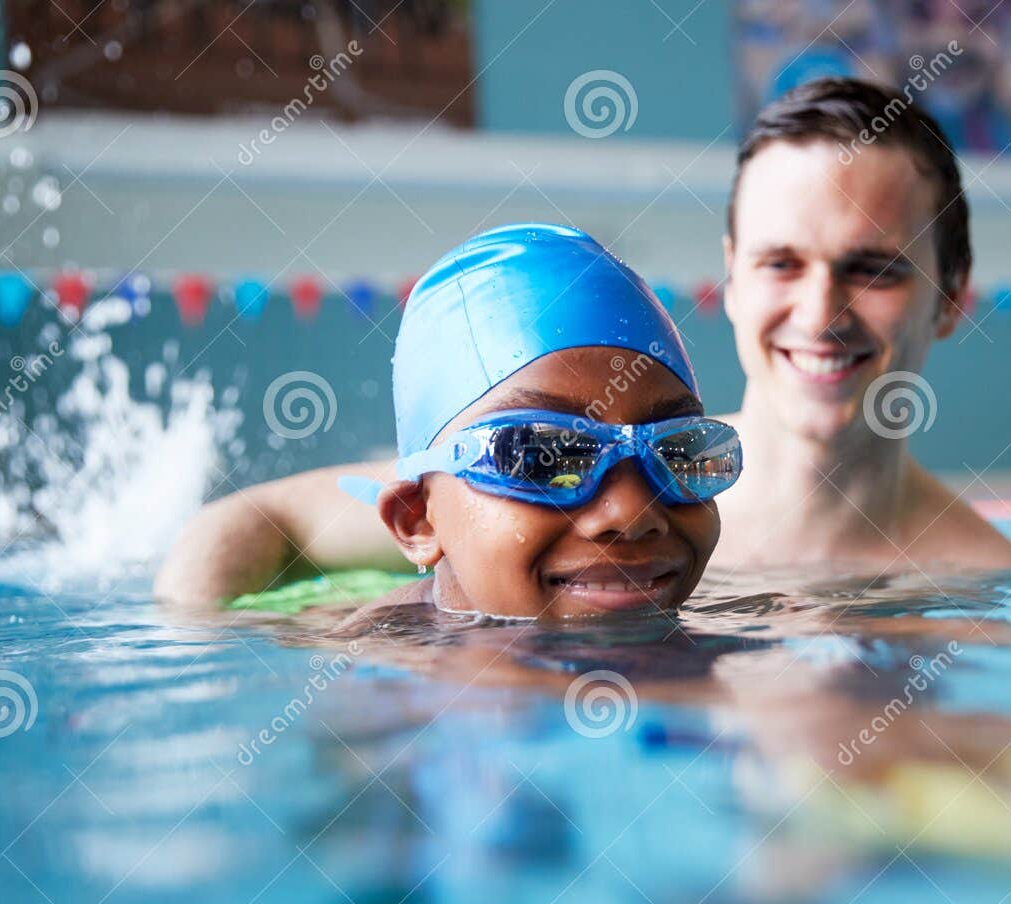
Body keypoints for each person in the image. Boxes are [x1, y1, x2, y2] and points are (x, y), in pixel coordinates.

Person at [154, 77, 1011, 607]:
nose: (819, 309)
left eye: (874, 269)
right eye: (780, 262)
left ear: (951, 297)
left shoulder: (970, 581)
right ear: (731, 274)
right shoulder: (535, 466)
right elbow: (253, 520)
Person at [156, 224, 741, 618]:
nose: (633, 514)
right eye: (540, 456)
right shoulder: (379, 687)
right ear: (417, 521)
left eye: (679, 452)